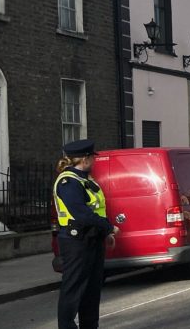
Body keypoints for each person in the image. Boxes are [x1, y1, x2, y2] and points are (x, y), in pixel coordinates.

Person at [54, 139, 117, 329]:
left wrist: (104, 233)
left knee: (91, 290)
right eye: (92, 157)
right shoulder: (68, 182)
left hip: (92, 240)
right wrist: (109, 227)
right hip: (76, 241)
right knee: (73, 290)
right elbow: (81, 213)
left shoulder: (85, 179)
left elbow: (96, 210)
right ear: (85, 159)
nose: (94, 161)